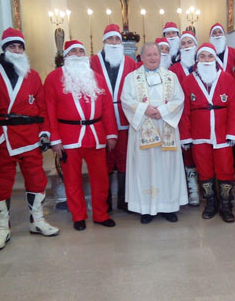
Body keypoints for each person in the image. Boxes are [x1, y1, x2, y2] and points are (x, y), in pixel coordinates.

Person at [0, 27, 59, 252]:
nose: (17, 49)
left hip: (30, 137)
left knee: (36, 179)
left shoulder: (32, 75)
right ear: (4, 49)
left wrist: (44, 133)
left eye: (20, 46)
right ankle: (2, 228)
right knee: (1, 183)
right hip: (2, 138)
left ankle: (37, 221)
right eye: (13, 46)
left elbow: (41, 107)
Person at [45, 40, 118, 230]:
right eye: (73, 52)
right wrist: (55, 138)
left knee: (101, 179)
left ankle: (101, 214)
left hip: (96, 135)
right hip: (68, 136)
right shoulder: (54, 78)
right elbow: (49, 110)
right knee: (72, 179)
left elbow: (107, 108)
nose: (78, 54)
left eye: (81, 51)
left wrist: (111, 134)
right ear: (66, 56)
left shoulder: (97, 78)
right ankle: (78, 215)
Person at [121, 42, 188, 223]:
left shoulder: (171, 76)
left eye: (155, 54)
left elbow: (179, 99)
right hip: (143, 127)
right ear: (141, 58)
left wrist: (163, 112)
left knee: (167, 168)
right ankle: (146, 208)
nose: (152, 58)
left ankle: (168, 207)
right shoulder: (131, 78)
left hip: (166, 125)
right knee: (145, 169)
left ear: (160, 56)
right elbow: (126, 99)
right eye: (148, 55)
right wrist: (145, 109)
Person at [180, 43, 235, 222]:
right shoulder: (188, 81)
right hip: (199, 135)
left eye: (210, 57)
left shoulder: (228, 79)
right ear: (197, 60)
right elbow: (184, 112)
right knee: (204, 170)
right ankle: (211, 202)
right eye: (202, 57)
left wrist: (232, 132)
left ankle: (226, 204)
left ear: (215, 59)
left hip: (222, 135)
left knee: (225, 169)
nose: (206, 60)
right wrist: (186, 136)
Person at [90, 24, 136, 212]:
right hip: (101, 118)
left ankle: (124, 200)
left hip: (125, 116)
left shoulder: (130, 62)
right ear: (104, 41)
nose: (114, 42)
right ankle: (105, 201)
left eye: (117, 39)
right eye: (110, 39)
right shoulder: (93, 61)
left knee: (125, 158)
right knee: (104, 160)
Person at [209, 22, 235, 175]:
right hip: (214, 99)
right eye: (214, 33)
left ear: (224, 36)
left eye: (219, 32)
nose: (217, 35)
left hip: (232, 97)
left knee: (234, 129)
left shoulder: (233, 53)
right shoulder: (208, 54)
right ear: (211, 37)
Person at [169, 31, 200, 206]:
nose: (187, 46)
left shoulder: (203, 64)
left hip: (200, 115)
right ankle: (191, 187)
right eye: (184, 44)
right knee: (186, 152)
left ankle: (205, 187)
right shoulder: (174, 69)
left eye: (190, 43)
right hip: (180, 116)